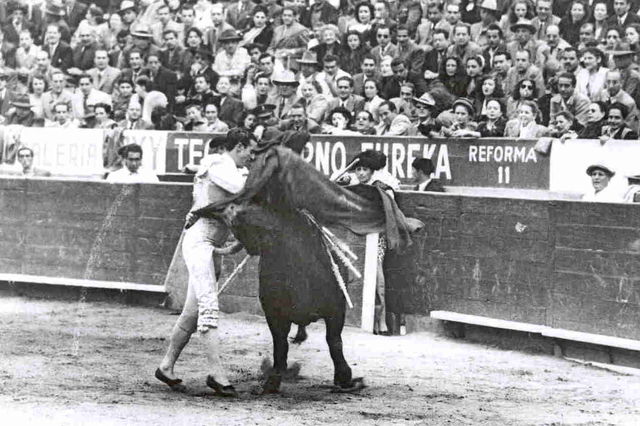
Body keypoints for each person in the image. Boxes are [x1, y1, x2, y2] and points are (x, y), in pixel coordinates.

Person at [156, 128, 256, 396]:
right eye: (249, 150)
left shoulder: (231, 168)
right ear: (238, 146)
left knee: (193, 311)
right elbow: (241, 192)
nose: (251, 155)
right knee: (209, 306)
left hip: (211, 245)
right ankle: (217, 374)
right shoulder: (218, 163)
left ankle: (166, 366)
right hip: (200, 242)